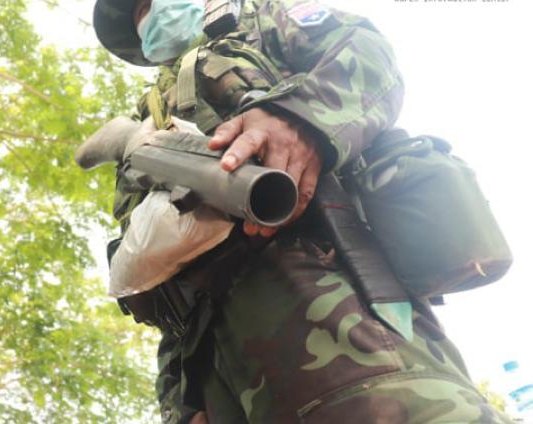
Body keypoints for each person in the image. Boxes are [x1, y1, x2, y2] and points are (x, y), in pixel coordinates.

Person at [91, 0, 512, 422]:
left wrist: (300, 119)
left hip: (337, 303)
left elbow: (366, 53)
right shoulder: (146, 120)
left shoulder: (258, 22)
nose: (153, 12)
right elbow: (160, 287)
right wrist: (179, 405)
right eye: (140, 11)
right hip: (219, 375)